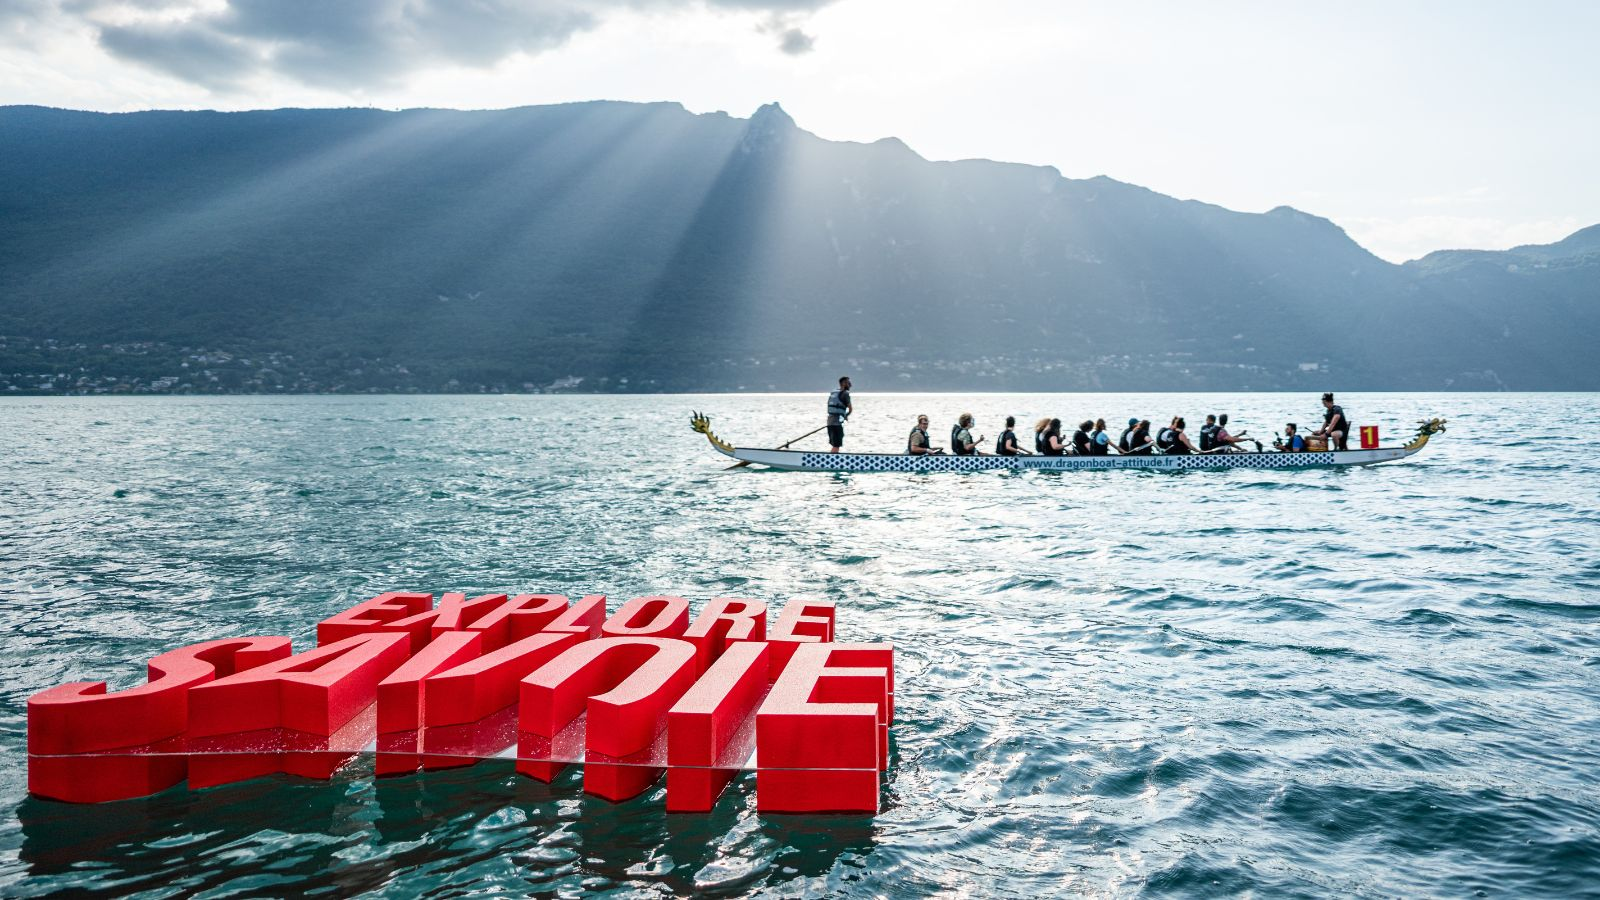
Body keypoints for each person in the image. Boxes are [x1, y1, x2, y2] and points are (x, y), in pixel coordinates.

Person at [825, 376, 852, 453]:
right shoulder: (845, 394)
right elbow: (850, 409)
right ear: (843, 383)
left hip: (830, 422)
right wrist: (846, 415)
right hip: (836, 424)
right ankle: (832, 460)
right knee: (836, 445)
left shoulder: (834, 392)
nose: (850, 385)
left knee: (835, 444)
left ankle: (832, 458)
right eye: (848, 383)